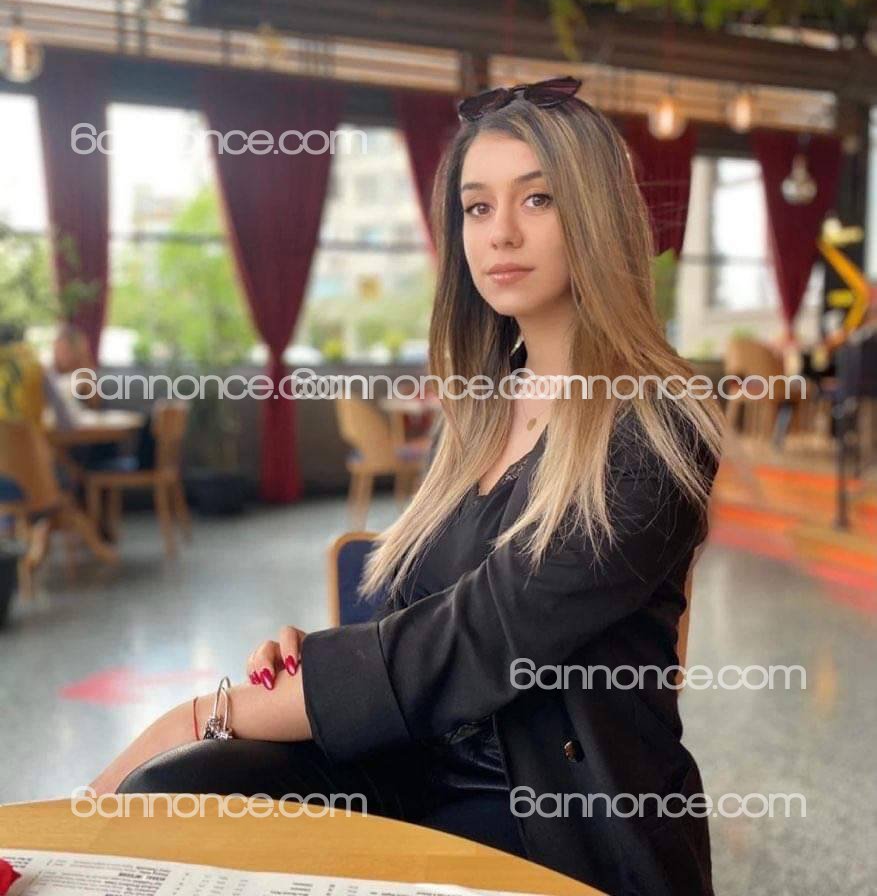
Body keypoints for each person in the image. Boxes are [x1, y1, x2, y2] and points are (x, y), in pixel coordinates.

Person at [87, 78, 724, 896]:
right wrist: (309, 658)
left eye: (537, 199)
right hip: (410, 770)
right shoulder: (479, 412)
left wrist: (215, 708)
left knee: (193, 747)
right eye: (476, 207)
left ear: (596, 218)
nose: (500, 232)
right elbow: (409, 619)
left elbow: (475, 639)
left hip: (553, 817)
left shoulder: (656, 424)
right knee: (176, 789)